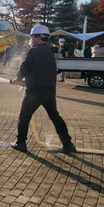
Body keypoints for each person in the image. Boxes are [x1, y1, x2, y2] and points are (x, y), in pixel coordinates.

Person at [9, 25, 75, 153]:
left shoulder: (33, 51)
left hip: (34, 91)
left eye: (33, 37)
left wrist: (19, 79)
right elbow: (44, 70)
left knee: (24, 117)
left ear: (38, 38)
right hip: (49, 90)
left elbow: (25, 68)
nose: (31, 39)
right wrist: (25, 81)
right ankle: (68, 144)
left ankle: (21, 143)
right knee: (55, 116)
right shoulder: (50, 51)